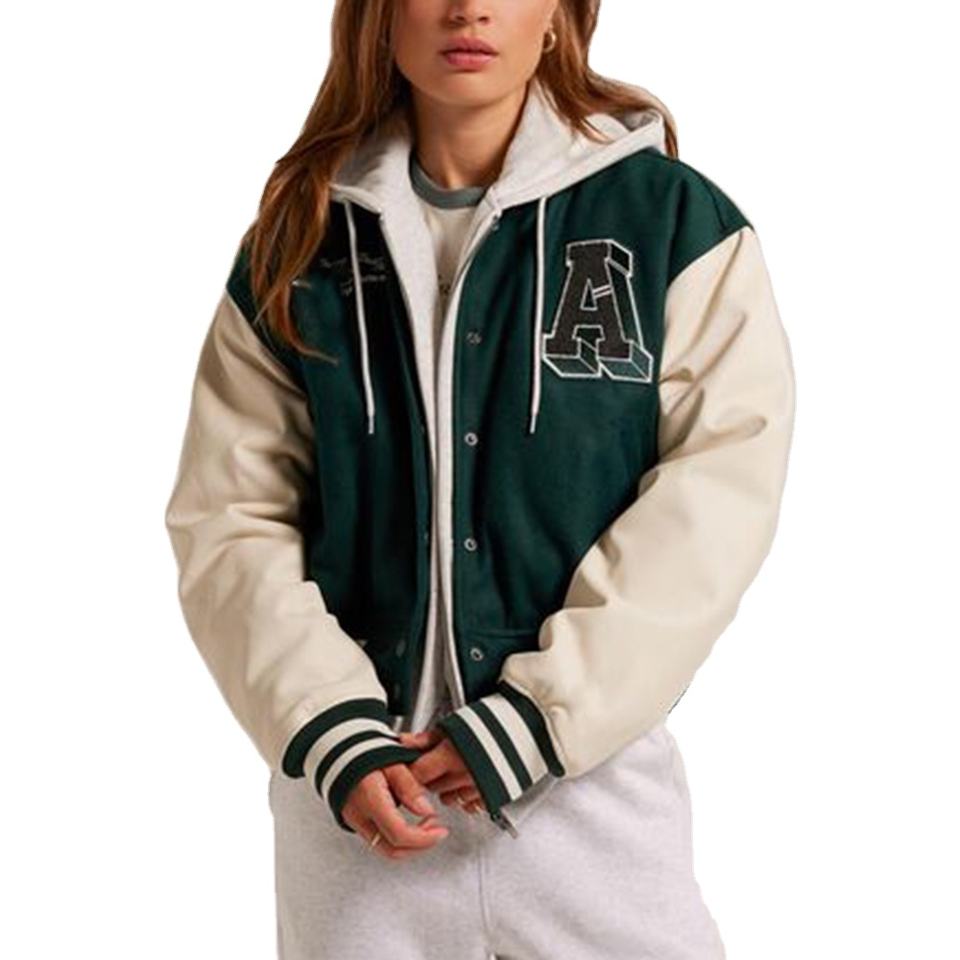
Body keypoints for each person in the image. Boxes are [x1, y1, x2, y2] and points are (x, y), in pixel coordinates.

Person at [164, 1, 796, 957]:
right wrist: (329, 724)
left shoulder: (670, 222)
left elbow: (718, 492)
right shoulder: (300, 240)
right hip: (363, 796)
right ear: (380, 15)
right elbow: (230, 515)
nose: (469, 8)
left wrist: (544, 716)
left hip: (586, 785)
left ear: (559, 17)